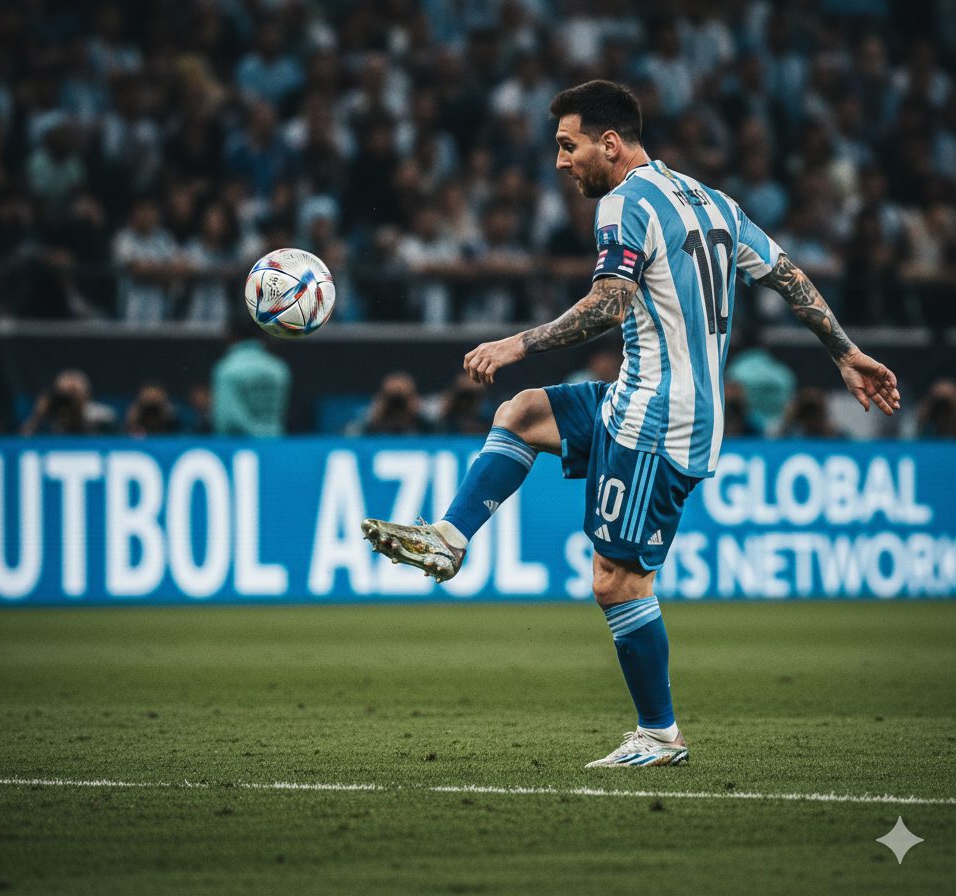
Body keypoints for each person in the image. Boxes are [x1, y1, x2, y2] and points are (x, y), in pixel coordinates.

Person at [361, 80, 900, 769]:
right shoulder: (712, 200)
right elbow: (787, 275)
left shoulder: (622, 203)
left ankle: (660, 735)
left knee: (616, 581)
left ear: (610, 143)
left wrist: (516, 344)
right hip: (635, 396)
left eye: (568, 145)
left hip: (661, 421)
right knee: (522, 414)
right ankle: (450, 539)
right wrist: (844, 351)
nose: (560, 161)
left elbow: (609, 303)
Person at [211, 317, 292, 436]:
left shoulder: (227, 369)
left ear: (231, 336)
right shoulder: (278, 369)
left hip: (238, 444)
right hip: (275, 441)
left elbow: (227, 420)